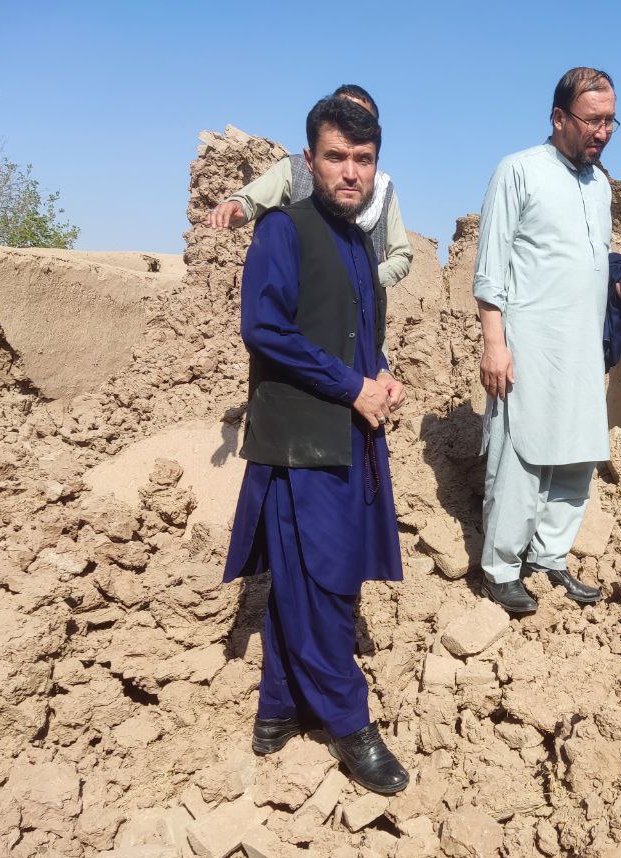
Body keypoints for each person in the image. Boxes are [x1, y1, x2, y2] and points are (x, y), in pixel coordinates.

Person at [223, 95, 409, 794]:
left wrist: (379, 374)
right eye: (336, 157)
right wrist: (351, 386)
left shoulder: (360, 244)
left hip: (348, 436)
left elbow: (359, 336)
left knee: (307, 579)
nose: (350, 172)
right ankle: (349, 723)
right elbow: (265, 329)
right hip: (301, 443)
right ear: (310, 160)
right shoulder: (283, 229)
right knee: (325, 584)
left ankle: (277, 708)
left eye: (363, 159)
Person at [474, 67, 621, 615]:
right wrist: (495, 343)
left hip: (581, 348)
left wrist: (620, 293)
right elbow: (490, 270)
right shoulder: (518, 171)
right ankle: (502, 569)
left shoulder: (601, 186)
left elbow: (589, 261)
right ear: (558, 118)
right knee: (521, 457)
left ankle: (549, 557)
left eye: (611, 121)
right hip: (529, 345)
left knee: (577, 456)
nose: (603, 132)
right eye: (592, 120)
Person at [207, 84, 413, 289]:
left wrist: (367, 278)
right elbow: (253, 200)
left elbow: (401, 255)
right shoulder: (294, 169)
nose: (350, 174)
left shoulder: (383, 189)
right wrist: (237, 207)